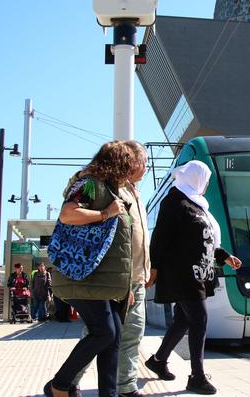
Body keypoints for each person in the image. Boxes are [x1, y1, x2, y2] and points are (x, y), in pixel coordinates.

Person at [144, 160, 242, 395]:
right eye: (205, 180)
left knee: (183, 320)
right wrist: (154, 268)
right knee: (199, 319)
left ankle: (158, 360)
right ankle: (197, 377)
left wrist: (225, 256)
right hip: (183, 273)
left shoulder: (197, 204)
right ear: (195, 178)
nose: (206, 185)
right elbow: (160, 237)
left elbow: (204, 240)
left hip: (199, 271)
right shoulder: (175, 201)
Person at [45, 141, 134, 397]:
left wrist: (124, 286)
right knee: (103, 332)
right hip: (83, 274)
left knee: (113, 337)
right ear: (118, 164)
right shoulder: (91, 184)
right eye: (127, 166)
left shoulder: (109, 188)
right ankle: (59, 385)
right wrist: (106, 213)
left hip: (104, 282)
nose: (129, 173)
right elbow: (68, 215)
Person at [70, 140, 151, 397]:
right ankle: (66, 383)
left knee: (129, 334)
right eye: (143, 163)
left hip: (136, 274)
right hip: (116, 277)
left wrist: (149, 267)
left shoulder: (134, 191)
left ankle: (124, 386)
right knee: (102, 334)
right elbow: (71, 210)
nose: (146, 168)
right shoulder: (105, 186)